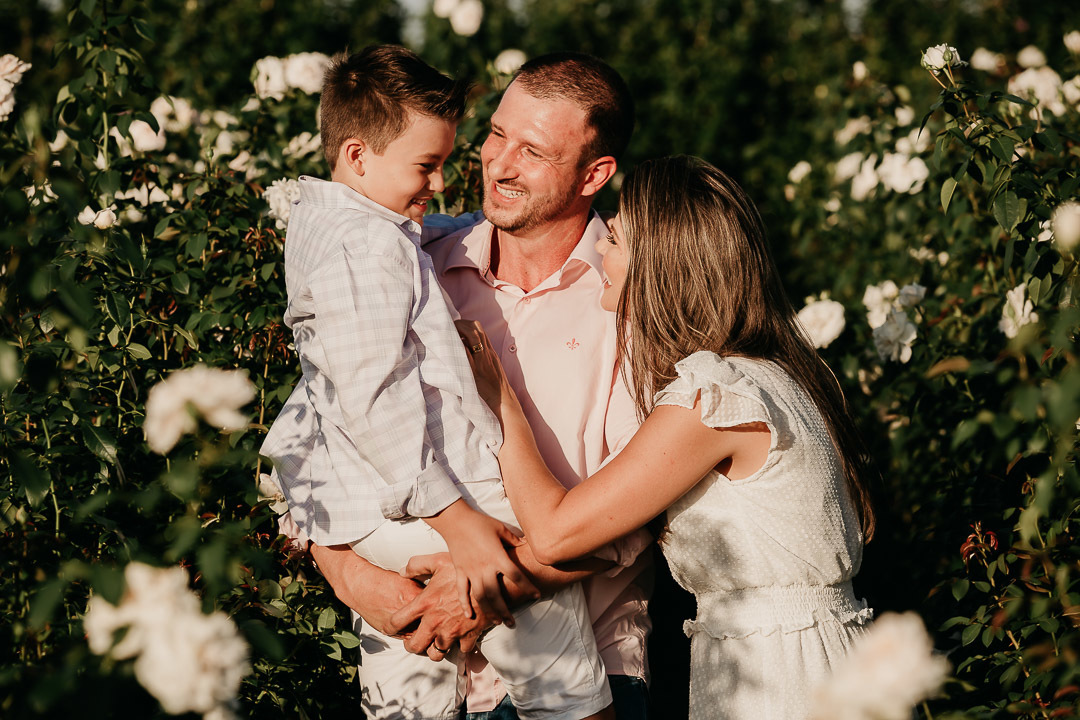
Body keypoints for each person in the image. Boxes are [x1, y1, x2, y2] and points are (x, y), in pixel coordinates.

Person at [267, 52, 653, 719]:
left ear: (595, 174)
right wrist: (356, 578)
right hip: (420, 650)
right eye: (496, 135)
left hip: (586, 670)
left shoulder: (636, 302)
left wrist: (474, 584)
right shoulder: (412, 261)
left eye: (531, 150)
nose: (497, 163)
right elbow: (313, 434)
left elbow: (636, 514)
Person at [457, 155, 877, 720]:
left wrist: (498, 395)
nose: (601, 249)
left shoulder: (714, 396)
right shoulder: (772, 372)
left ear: (662, 264)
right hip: (803, 654)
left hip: (780, 675)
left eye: (618, 240)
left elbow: (557, 534)